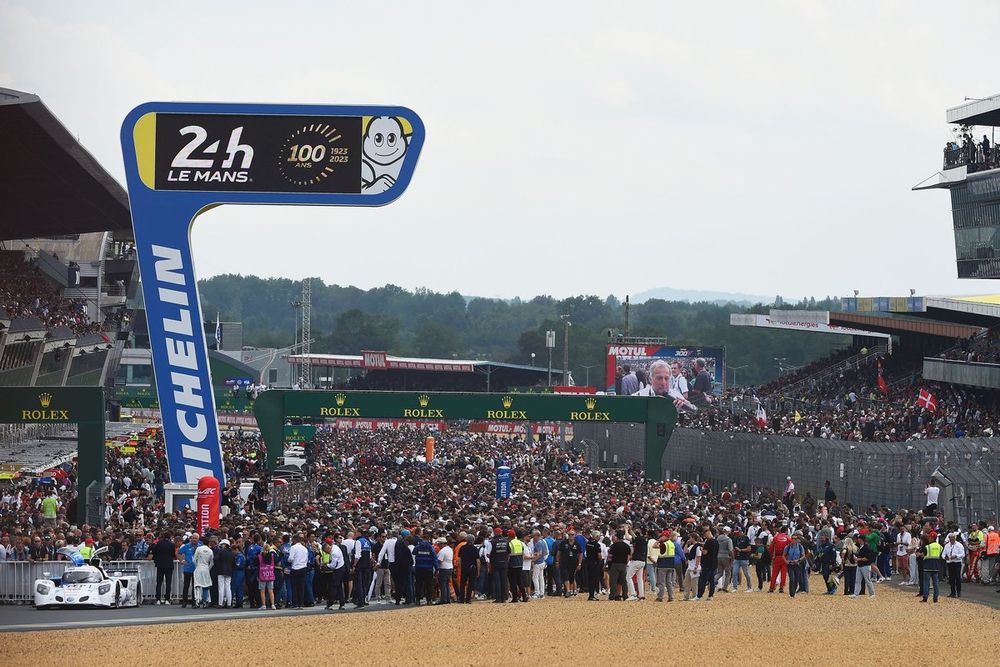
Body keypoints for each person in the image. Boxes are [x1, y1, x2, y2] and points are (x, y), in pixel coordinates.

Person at [324, 536, 348, 610]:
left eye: (326, 551)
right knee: (339, 587)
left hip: (338, 570)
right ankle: (342, 603)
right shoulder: (335, 547)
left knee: (333, 587)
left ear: (327, 548)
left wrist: (326, 565)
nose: (327, 553)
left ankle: (330, 603)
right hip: (342, 566)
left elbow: (333, 565)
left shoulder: (333, 553)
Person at [608, 530, 631, 601]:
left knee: (613, 581)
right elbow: (629, 556)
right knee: (623, 581)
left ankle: (612, 596)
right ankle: (625, 595)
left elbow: (610, 556)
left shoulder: (613, 546)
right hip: (623, 564)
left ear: (617, 537)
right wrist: (625, 563)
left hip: (615, 564)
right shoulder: (627, 546)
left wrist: (608, 564)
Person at [288, 533, 309, 609]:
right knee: (301, 587)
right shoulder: (305, 548)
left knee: (294, 587)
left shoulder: (293, 548)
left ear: (294, 540)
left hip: (295, 568)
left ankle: (295, 604)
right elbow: (306, 559)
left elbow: (290, 558)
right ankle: (301, 604)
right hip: (303, 568)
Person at [696, 527, 718, 601]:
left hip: (706, 563)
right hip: (714, 563)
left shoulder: (708, 542)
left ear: (707, 533)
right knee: (712, 580)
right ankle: (710, 595)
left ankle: (699, 595)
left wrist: (701, 549)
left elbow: (705, 552)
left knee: (703, 580)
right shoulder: (716, 541)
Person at [178, 532, 199, 608]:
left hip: (196, 569)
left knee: (195, 586)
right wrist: (182, 561)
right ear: (191, 538)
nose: (194, 539)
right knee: (186, 585)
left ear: (198, 539)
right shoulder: (186, 546)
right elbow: (178, 553)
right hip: (187, 569)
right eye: (193, 538)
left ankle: (194, 602)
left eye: (196, 538)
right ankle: (184, 601)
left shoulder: (200, 546)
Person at [654, 530, 676, 602]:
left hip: (663, 565)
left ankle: (660, 597)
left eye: (662, 536)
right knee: (669, 582)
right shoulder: (672, 544)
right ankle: (671, 597)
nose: (661, 537)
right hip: (671, 565)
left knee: (661, 582)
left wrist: (658, 540)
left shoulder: (664, 544)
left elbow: (654, 546)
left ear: (665, 536)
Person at [193, 537, 214, 609]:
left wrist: (197, 566)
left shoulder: (199, 549)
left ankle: (197, 601)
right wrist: (208, 569)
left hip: (199, 568)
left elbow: (194, 559)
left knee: (197, 585)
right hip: (206, 569)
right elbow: (212, 563)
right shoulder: (210, 551)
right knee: (206, 586)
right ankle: (205, 602)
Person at [921, 533, 943, 603]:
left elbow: (923, 555)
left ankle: (925, 598)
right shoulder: (940, 547)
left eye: (929, 537)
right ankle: (935, 599)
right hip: (936, 566)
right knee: (936, 583)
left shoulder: (927, 547)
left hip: (927, 566)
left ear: (932, 538)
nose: (928, 538)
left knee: (926, 582)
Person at [852, 533, 876, 598]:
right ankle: (856, 593)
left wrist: (858, 559)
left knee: (868, 580)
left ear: (861, 539)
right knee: (857, 580)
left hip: (865, 566)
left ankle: (872, 594)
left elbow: (867, 558)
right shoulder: (861, 547)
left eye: (859, 539)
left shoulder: (866, 547)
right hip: (860, 565)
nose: (858, 540)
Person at [459, 533, 480, 603]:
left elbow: (460, 559)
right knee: (470, 584)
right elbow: (478, 561)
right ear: (473, 540)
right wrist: (478, 571)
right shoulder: (475, 549)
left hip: (464, 567)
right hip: (472, 568)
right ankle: (468, 599)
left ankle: (461, 599)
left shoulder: (462, 548)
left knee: (462, 583)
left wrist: (460, 567)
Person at [943, 532, 965, 598]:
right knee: (951, 578)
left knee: (957, 577)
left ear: (955, 538)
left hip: (957, 562)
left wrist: (956, 556)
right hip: (950, 562)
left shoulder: (959, 545)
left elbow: (962, 554)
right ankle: (952, 592)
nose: (952, 541)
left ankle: (959, 592)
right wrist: (945, 557)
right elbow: (943, 554)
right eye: (951, 539)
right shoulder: (947, 545)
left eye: (953, 539)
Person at [257, 542, 278, 610]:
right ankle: (272, 604)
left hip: (262, 575)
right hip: (270, 574)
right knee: (271, 590)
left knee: (262, 591)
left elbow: (256, 563)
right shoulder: (272, 556)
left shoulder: (260, 556)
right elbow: (276, 561)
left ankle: (264, 605)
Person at [584, 530, 604, 601]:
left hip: (588, 562)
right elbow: (599, 556)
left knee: (590, 579)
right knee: (594, 579)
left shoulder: (588, 543)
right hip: (595, 563)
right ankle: (592, 595)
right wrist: (600, 560)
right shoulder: (597, 544)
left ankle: (591, 594)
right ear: (596, 536)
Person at [215, 538, 235, 608]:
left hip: (221, 571)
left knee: (221, 588)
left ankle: (220, 603)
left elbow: (216, 559)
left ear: (224, 545)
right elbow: (233, 563)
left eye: (222, 544)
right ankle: (229, 603)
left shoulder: (220, 552)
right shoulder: (232, 553)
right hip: (229, 571)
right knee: (228, 588)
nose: (221, 546)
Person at [731, 526, 752, 592]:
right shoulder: (735, 538)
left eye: (737, 532)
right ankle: (735, 587)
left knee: (746, 573)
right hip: (737, 558)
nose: (736, 534)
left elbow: (749, 548)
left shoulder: (746, 538)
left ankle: (749, 587)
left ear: (740, 531)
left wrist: (741, 550)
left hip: (744, 558)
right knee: (734, 572)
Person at [435, 536, 454, 604]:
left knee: (443, 585)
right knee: (447, 585)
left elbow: (439, 561)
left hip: (443, 569)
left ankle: (443, 600)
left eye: (439, 544)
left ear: (442, 544)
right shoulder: (450, 549)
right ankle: (448, 599)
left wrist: (436, 570)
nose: (438, 546)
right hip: (450, 568)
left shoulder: (442, 551)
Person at [231, 539, 246, 609]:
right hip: (237, 572)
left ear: (236, 549)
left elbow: (238, 565)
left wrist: (232, 564)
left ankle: (239, 602)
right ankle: (238, 602)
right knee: (237, 588)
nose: (232, 552)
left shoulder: (240, 556)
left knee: (239, 588)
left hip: (239, 572)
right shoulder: (238, 556)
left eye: (233, 550)